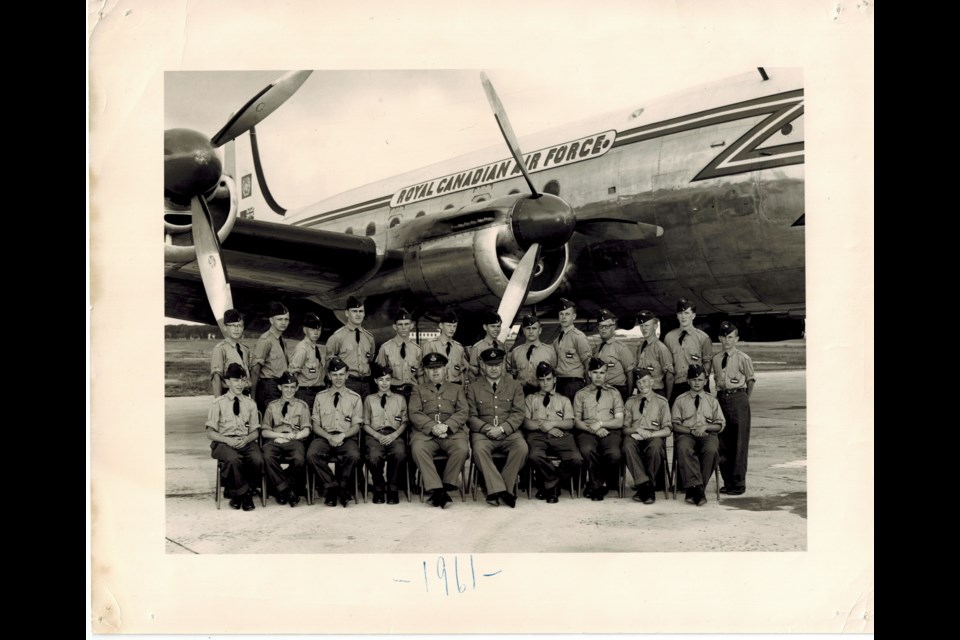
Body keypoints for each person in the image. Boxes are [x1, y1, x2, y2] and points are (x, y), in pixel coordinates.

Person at [466, 347, 528, 507]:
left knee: (522, 447)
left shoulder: (515, 386)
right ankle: (503, 491)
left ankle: (498, 490)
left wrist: (502, 429)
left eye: (497, 364)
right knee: (479, 450)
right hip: (483, 433)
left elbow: (519, 413)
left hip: (508, 432)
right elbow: (470, 416)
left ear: (503, 366)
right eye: (490, 365)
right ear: (483, 366)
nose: (494, 368)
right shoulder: (473, 387)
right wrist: (488, 429)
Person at [408, 352, 470, 508]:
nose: (435, 371)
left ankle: (446, 485)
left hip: (451, 434)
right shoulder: (418, 389)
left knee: (462, 449)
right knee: (418, 448)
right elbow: (414, 412)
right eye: (430, 369)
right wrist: (432, 427)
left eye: (439, 368)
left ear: (445, 369)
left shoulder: (456, 388)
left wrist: (447, 426)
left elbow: (463, 412)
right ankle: (438, 489)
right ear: (426, 371)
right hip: (426, 434)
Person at [522, 362, 583, 503]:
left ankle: (548, 484)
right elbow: (526, 423)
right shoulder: (530, 399)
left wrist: (553, 424)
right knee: (534, 456)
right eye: (542, 380)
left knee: (576, 459)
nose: (545, 383)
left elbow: (569, 422)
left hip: (561, 435)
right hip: (537, 435)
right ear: (538, 381)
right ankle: (553, 485)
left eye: (548, 379)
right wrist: (545, 426)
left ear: (554, 379)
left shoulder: (563, 399)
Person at [205, 363, 263, 511]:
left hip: (245, 440)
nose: (239, 384)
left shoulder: (250, 404)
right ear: (227, 382)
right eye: (235, 380)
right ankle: (246, 495)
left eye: (242, 380)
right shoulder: (217, 404)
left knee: (257, 459)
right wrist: (227, 440)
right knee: (233, 459)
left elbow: (255, 432)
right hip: (222, 441)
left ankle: (236, 494)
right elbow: (210, 433)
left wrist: (246, 439)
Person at [306, 357, 363, 507]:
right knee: (312, 454)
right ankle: (333, 488)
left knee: (354, 455)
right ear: (329, 376)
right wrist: (329, 436)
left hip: (346, 437)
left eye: (341, 375)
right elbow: (315, 425)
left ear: (347, 375)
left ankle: (343, 486)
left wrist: (342, 436)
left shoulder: (355, 398)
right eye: (335, 375)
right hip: (324, 436)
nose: (338, 378)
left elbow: (356, 426)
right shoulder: (320, 397)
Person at [711, 321, 756, 496]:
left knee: (739, 442)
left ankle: (738, 482)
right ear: (719, 338)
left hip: (738, 398)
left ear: (736, 339)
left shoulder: (743, 358)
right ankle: (727, 481)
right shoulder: (716, 359)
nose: (727, 340)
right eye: (724, 337)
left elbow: (751, 380)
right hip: (722, 398)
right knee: (722, 442)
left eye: (730, 337)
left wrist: (743, 399)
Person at [672, 364, 725, 506]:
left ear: (706, 381)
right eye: (694, 380)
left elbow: (720, 424)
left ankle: (693, 489)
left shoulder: (712, 400)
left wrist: (706, 426)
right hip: (687, 434)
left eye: (700, 380)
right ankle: (699, 490)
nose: (697, 383)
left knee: (712, 450)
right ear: (688, 381)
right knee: (683, 448)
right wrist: (691, 431)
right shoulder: (680, 400)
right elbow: (675, 425)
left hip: (707, 434)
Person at [573, 357, 625, 501]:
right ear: (589, 374)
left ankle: (594, 483)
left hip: (610, 430)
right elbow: (576, 421)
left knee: (614, 454)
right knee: (587, 450)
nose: (598, 376)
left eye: (602, 373)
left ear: (606, 375)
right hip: (587, 431)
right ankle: (599, 486)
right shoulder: (581, 394)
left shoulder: (614, 393)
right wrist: (594, 430)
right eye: (595, 372)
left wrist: (601, 424)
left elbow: (619, 421)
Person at [622, 368, 672, 504]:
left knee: (656, 447)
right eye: (638, 383)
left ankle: (644, 486)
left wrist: (649, 434)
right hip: (635, 434)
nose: (642, 385)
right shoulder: (630, 402)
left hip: (654, 434)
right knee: (627, 445)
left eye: (644, 381)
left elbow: (667, 429)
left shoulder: (662, 402)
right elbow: (625, 429)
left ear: (651, 382)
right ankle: (646, 486)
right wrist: (637, 430)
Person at [260, 372, 310, 507]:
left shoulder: (302, 406)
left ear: (297, 388)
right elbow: (264, 431)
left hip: (295, 439)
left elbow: (306, 430)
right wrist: (280, 436)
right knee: (267, 457)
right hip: (275, 439)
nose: (289, 390)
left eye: (292, 387)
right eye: (286, 387)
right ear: (280, 387)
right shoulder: (272, 406)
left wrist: (293, 437)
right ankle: (287, 491)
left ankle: (280, 488)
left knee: (299, 459)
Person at [363, 363, 408, 504]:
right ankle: (379, 488)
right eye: (381, 380)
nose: (384, 383)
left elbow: (405, 422)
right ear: (375, 381)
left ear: (392, 381)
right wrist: (378, 436)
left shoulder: (400, 399)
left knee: (399, 453)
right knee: (373, 456)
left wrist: (394, 436)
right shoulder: (369, 399)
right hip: (375, 435)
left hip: (394, 434)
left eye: (387, 379)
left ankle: (393, 489)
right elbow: (365, 424)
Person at [664, 298, 714, 404]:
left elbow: (707, 363)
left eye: (687, 313)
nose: (683, 316)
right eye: (680, 313)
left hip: (695, 387)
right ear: (677, 315)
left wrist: (701, 383)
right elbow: (668, 366)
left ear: (693, 316)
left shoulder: (703, 338)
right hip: (677, 387)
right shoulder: (669, 337)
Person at [325, 296, 376, 397]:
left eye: (361, 311)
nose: (358, 314)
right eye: (354, 311)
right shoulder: (337, 337)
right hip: (347, 383)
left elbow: (370, 360)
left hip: (365, 384)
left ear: (364, 313)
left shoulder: (369, 337)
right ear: (347, 313)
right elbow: (328, 365)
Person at [250, 301, 290, 414]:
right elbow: (255, 371)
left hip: (281, 386)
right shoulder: (265, 340)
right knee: (272, 420)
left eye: (286, 319)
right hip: (269, 387)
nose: (283, 323)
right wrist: (253, 397)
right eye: (279, 319)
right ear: (271, 320)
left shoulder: (282, 340)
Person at [375, 308, 422, 401]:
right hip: (393, 392)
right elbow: (380, 375)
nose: (403, 328)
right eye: (400, 324)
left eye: (406, 324)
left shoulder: (417, 350)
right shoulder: (385, 348)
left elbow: (420, 375)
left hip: (413, 393)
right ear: (395, 327)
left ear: (411, 325)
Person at [508, 314, 557, 396]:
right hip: (521, 394)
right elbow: (513, 374)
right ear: (523, 331)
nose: (531, 332)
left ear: (540, 330)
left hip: (542, 393)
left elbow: (553, 374)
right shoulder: (515, 352)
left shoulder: (550, 351)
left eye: (534, 328)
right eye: (528, 328)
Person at [554, 298, 592, 401]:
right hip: (560, 383)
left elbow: (588, 363)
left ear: (574, 316)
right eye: (561, 314)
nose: (564, 317)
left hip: (574, 384)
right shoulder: (558, 339)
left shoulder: (578, 337)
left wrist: (589, 388)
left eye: (567, 314)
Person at [594, 308, 636, 402]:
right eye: (600, 326)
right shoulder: (597, 349)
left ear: (613, 327)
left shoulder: (621, 348)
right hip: (600, 391)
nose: (603, 329)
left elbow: (630, 374)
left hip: (618, 392)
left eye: (606, 326)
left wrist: (628, 398)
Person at [210, 308, 251, 397]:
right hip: (228, 395)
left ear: (243, 328)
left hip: (244, 395)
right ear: (225, 327)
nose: (237, 329)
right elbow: (216, 379)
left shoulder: (245, 349)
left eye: (240, 326)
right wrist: (218, 403)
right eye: (233, 325)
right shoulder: (220, 349)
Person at [289, 312, 326, 411]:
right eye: (312, 329)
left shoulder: (317, 349)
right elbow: (292, 374)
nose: (316, 332)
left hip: (317, 392)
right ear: (305, 330)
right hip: (305, 393)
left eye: (318, 329)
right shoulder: (302, 349)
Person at [634, 310, 674, 400]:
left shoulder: (661, 348)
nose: (644, 329)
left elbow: (670, 377)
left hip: (656, 393)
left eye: (647, 325)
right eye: (641, 326)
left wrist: (666, 399)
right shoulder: (641, 346)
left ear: (655, 326)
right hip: (642, 393)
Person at [422, 307, 468, 385]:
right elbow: (425, 371)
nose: (452, 329)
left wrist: (462, 391)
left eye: (454, 326)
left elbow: (461, 372)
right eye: (449, 325)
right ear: (441, 325)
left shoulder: (459, 347)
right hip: (437, 386)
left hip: (455, 386)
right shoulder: (430, 345)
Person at [467, 310, 504, 382]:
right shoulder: (477, 348)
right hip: (484, 388)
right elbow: (472, 374)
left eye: (498, 326)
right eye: (493, 326)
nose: (496, 329)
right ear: (485, 327)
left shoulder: (503, 347)